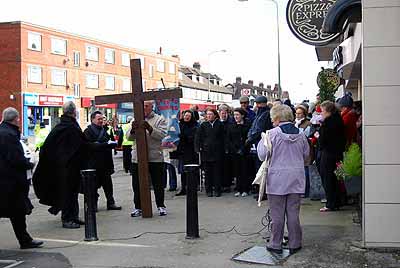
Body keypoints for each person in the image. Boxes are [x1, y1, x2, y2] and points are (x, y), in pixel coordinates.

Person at [33, 101, 114, 229]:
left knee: (73, 193)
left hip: (70, 167)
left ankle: (74, 217)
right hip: (67, 168)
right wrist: (102, 145)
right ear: (73, 112)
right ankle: (67, 218)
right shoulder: (69, 127)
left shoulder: (63, 126)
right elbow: (83, 145)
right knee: (68, 193)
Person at [257, 104, 309, 255]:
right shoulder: (301, 133)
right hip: (297, 177)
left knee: (277, 214)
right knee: (293, 212)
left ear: (277, 118)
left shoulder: (271, 134)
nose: (272, 121)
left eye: (273, 118)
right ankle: (295, 242)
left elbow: (262, 155)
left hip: (277, 178)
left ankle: (275, 243)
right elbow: (306, 155)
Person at [0, 107, 43, 249]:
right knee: (17, 211)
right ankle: (25, 240)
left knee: (15, 211)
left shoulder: (5, 132)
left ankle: (25, 239)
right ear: (16, 119)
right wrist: (29, 164)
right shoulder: (8, 135)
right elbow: (15, 158)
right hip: (10, 181)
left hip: (6, 180)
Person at [127, 101, 168, 217]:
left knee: (158, 183)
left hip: (154, 157)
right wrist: (133, 129)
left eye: (146, 106)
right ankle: (138, 207)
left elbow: (162, 135)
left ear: (152, 107)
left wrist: (150, 128)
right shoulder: (135, 119)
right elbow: (128, 137)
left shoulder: (159, 119)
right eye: (142, 105)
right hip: (138, 158)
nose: (144, 108)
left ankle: (161, 206)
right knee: (137, 184)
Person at [83, 111, 121, 211]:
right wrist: (104, 145)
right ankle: (93, 205)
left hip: (105, 163)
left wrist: (112, 144)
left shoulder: (105, 130)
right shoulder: (88, 131)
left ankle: (111, 203)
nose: (101, 121)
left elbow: (111, 141)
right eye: (99, 119)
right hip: (93, 164)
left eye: (102, 119)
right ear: (92, 119)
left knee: (108, 185)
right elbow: (88, 146)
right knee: (93, 186)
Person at [317, 101, 346, 212]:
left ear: (328, 111)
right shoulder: (338, 120)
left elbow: (323, 139)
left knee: (328, 178)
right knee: (334, 178)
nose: (321, 113)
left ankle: (331, 203)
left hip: (329, 153)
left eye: (323, 111)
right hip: (336, 152)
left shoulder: (328, 122)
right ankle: (335, 201)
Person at [246, 96, 273, 198]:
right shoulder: (260, 114)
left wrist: (250, 139)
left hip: (262, 143)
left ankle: (263, 192)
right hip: (257, 143)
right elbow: (254, 127)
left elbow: (259, 129)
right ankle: (260, 191)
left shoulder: (265, 114)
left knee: (262, 168)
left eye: (257, 103)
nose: (256, 105)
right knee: (259, 168)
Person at [195, 108, 225, 197]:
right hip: (206, 151)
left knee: (217, 172)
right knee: (207, 172)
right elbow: (198, 137)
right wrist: (197, 147)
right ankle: (208, 190)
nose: (209, 116)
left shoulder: (220, 124)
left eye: (210, 114)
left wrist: (224, 148)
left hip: (217, 151)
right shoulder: (203, 125)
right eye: (207, 114)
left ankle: (217, 190)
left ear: (215, 115)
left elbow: (223, 137)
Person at [226, 108, 251, 197]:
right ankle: (238, 188)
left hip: (245, 151)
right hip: (234, 152)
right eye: (234, 115)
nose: (236, 117)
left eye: (237, 115)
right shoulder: (231, 126)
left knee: (245, 170)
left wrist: (243, 148)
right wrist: (234, 149)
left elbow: (248, 138)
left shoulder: (247, 125)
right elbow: (229, 139)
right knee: (237, 171)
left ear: (242, 115)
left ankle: (245, 189)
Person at [175, 110, 199, 196]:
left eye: (188, 116)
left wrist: (184, 136)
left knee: (191, 171)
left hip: (191, 151)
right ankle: (183, 188)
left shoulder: (195, 125)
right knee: (182, 171)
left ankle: (192, 187)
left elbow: (193, 137)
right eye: (185, 115)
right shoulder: (180, 124)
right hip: (182, 151)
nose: (186, 117)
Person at [295, 105, 313, 198]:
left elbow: (308, 136)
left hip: (305, 148)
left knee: (305, 170)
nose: (297, 115)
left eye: (299, 113)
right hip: (296, 150)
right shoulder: (294, 123)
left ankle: (305, 191)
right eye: (296, 113)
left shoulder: (308, 124)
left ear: (304, 114)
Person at [219, 104, 233, 193]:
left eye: (225, 113)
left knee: (227, 167)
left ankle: (227, 185)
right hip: (219, 148)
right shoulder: (218, 122)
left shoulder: (230, 122)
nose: (224, 115)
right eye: (222, 113)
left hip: (227, 147)